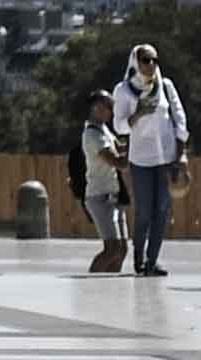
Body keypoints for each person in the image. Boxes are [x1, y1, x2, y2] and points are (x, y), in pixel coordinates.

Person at [110, 45, 186, 278]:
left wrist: (181, 153)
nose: (150, 65)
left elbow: (179, 118)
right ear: (135, 61)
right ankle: (139, 258)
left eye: (154, 60)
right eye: (145, 60)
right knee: (144, 210)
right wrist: (138, 113)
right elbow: (119, 126)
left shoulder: (165, 86)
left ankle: (153, 260)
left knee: (162, 210)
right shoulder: (124, 91)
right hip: (141, 159)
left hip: (165, 156)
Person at [76, 87, 129, 271]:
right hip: (100, 197)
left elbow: (118, 147)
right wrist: (138, 154)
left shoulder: (103, 129)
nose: (111, 110)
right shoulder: (92, 135)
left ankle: (111, 284)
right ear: (96, 107)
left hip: (113, 195)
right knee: (112, 248)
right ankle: (93, 282)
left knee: (122, 249)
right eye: (108, 106)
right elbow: (117, 161)